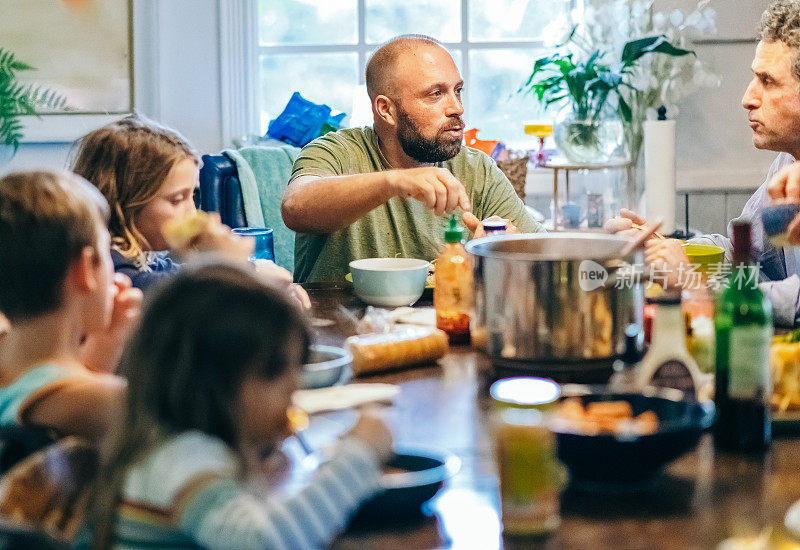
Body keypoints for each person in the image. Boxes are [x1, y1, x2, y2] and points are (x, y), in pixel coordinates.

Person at [84, 262, 393, 549]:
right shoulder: (182, 459)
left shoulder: (184, 443)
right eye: (274, 373)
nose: (294, 387)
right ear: (211, 382)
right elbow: (263, 543)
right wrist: (357, 456)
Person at [282, 34, 545, 283]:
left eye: (458, 90)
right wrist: (397, 181)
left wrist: (510, 249)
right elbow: (295, 209)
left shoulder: (477, 169)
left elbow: (544, 260)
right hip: (337, 325)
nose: (457, 108)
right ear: (386, 109)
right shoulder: (335, 151)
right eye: (436, 94)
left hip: (441, 320)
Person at [607, 0, 800, 326]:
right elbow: (746, 253)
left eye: (768, 81)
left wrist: (699, 285)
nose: (748, 98)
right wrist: (665, 248)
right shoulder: (786, 162)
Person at [72, 114, 310, 307]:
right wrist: (228, 264)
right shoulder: (111, 269)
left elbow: (177, 274)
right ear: (124, 203)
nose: (193, 212)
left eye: (192, 196)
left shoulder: (148, 260)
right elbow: (178, 292)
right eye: (176, 200)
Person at [0, 170, 138, 439]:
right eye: (106, 250)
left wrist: (106, 344)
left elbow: (52, 381)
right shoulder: (109, 404)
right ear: (86, 269)